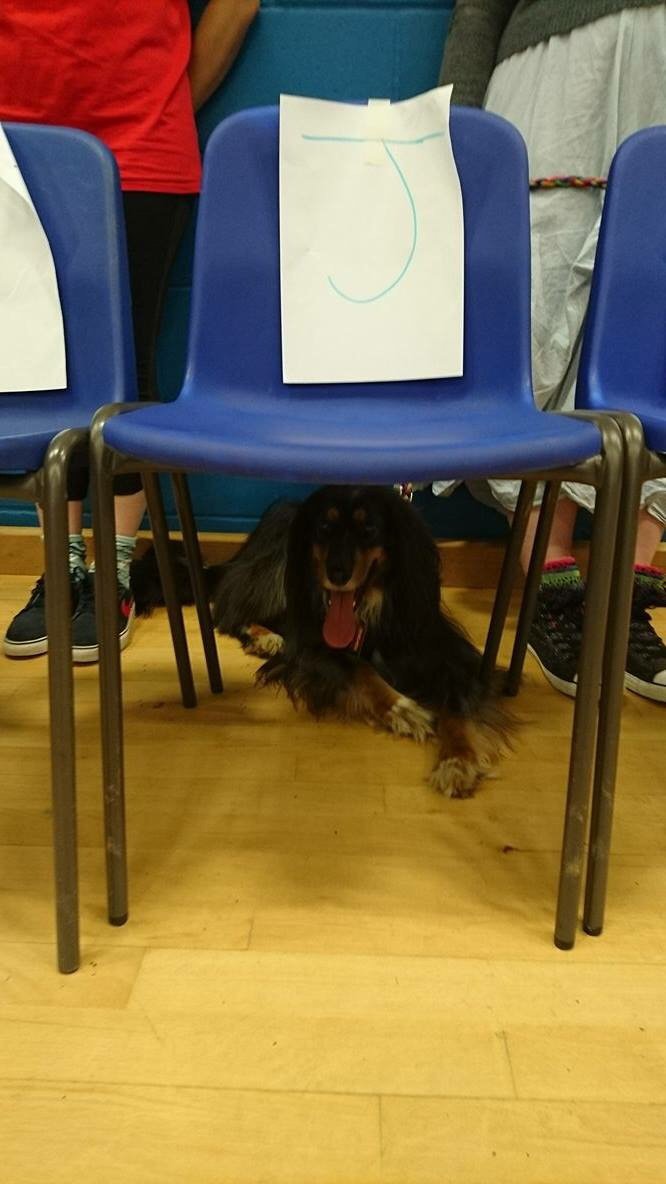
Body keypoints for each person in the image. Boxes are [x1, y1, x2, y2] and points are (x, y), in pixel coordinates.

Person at [1, 0, 259, 662]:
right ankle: (60, 571)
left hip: (141, 145)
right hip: (17, 147)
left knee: (120, 368)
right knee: (36, 364)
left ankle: (114, 572)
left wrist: (165, 102)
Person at [435, 0, 666, 702]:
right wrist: (459, 135)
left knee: (658, 314)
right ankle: (552, 583)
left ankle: (628, 593)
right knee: (541, 289)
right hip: (555, 69)